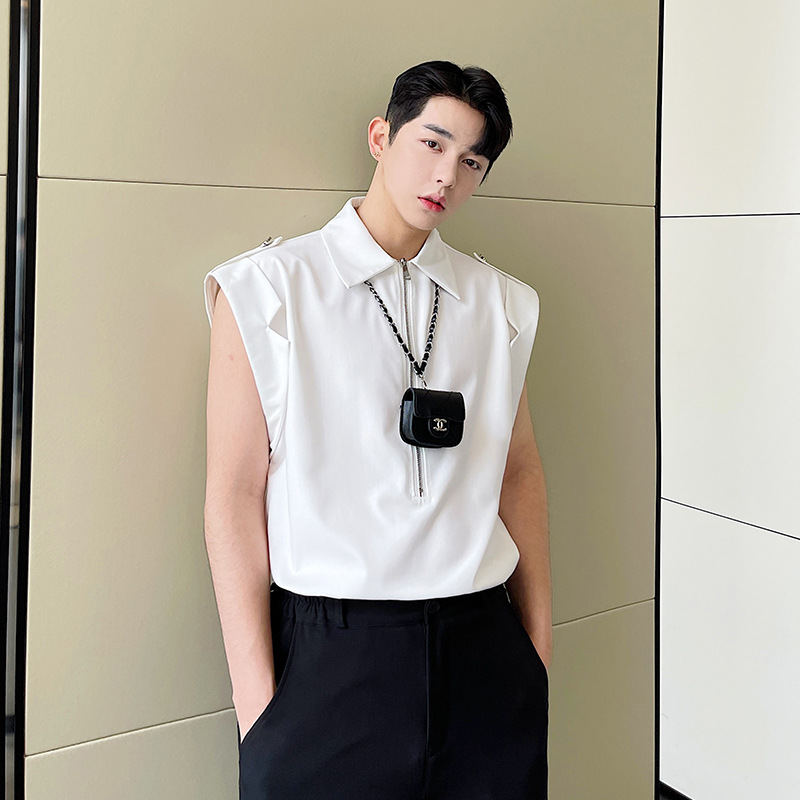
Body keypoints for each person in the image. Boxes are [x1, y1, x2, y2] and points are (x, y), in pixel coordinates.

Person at [203, 60, 552, 800]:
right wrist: (257, 708)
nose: (446, 175)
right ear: (380, 136)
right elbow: (232, 496)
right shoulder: (267, 290)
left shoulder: (502, 304)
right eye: (432, 143)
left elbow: (518, 471)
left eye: (472, 161)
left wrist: (537, 654)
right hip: (328, 662)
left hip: (483, 652)